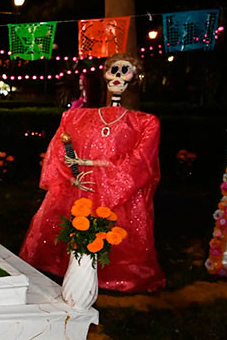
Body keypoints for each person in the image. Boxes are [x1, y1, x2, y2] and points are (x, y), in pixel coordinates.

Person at [19, 53, 165, 293]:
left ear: (134, 77)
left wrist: (101, 175)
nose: (117, 76)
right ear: (105, 74)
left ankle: (109, 275)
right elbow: (59, 150)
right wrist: (72, 174)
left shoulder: (145, 122)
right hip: (78, 187)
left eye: (124, 70)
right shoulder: (76, 117)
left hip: (115, 194)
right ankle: (59, 265)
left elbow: (141, 161)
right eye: (113, 70)